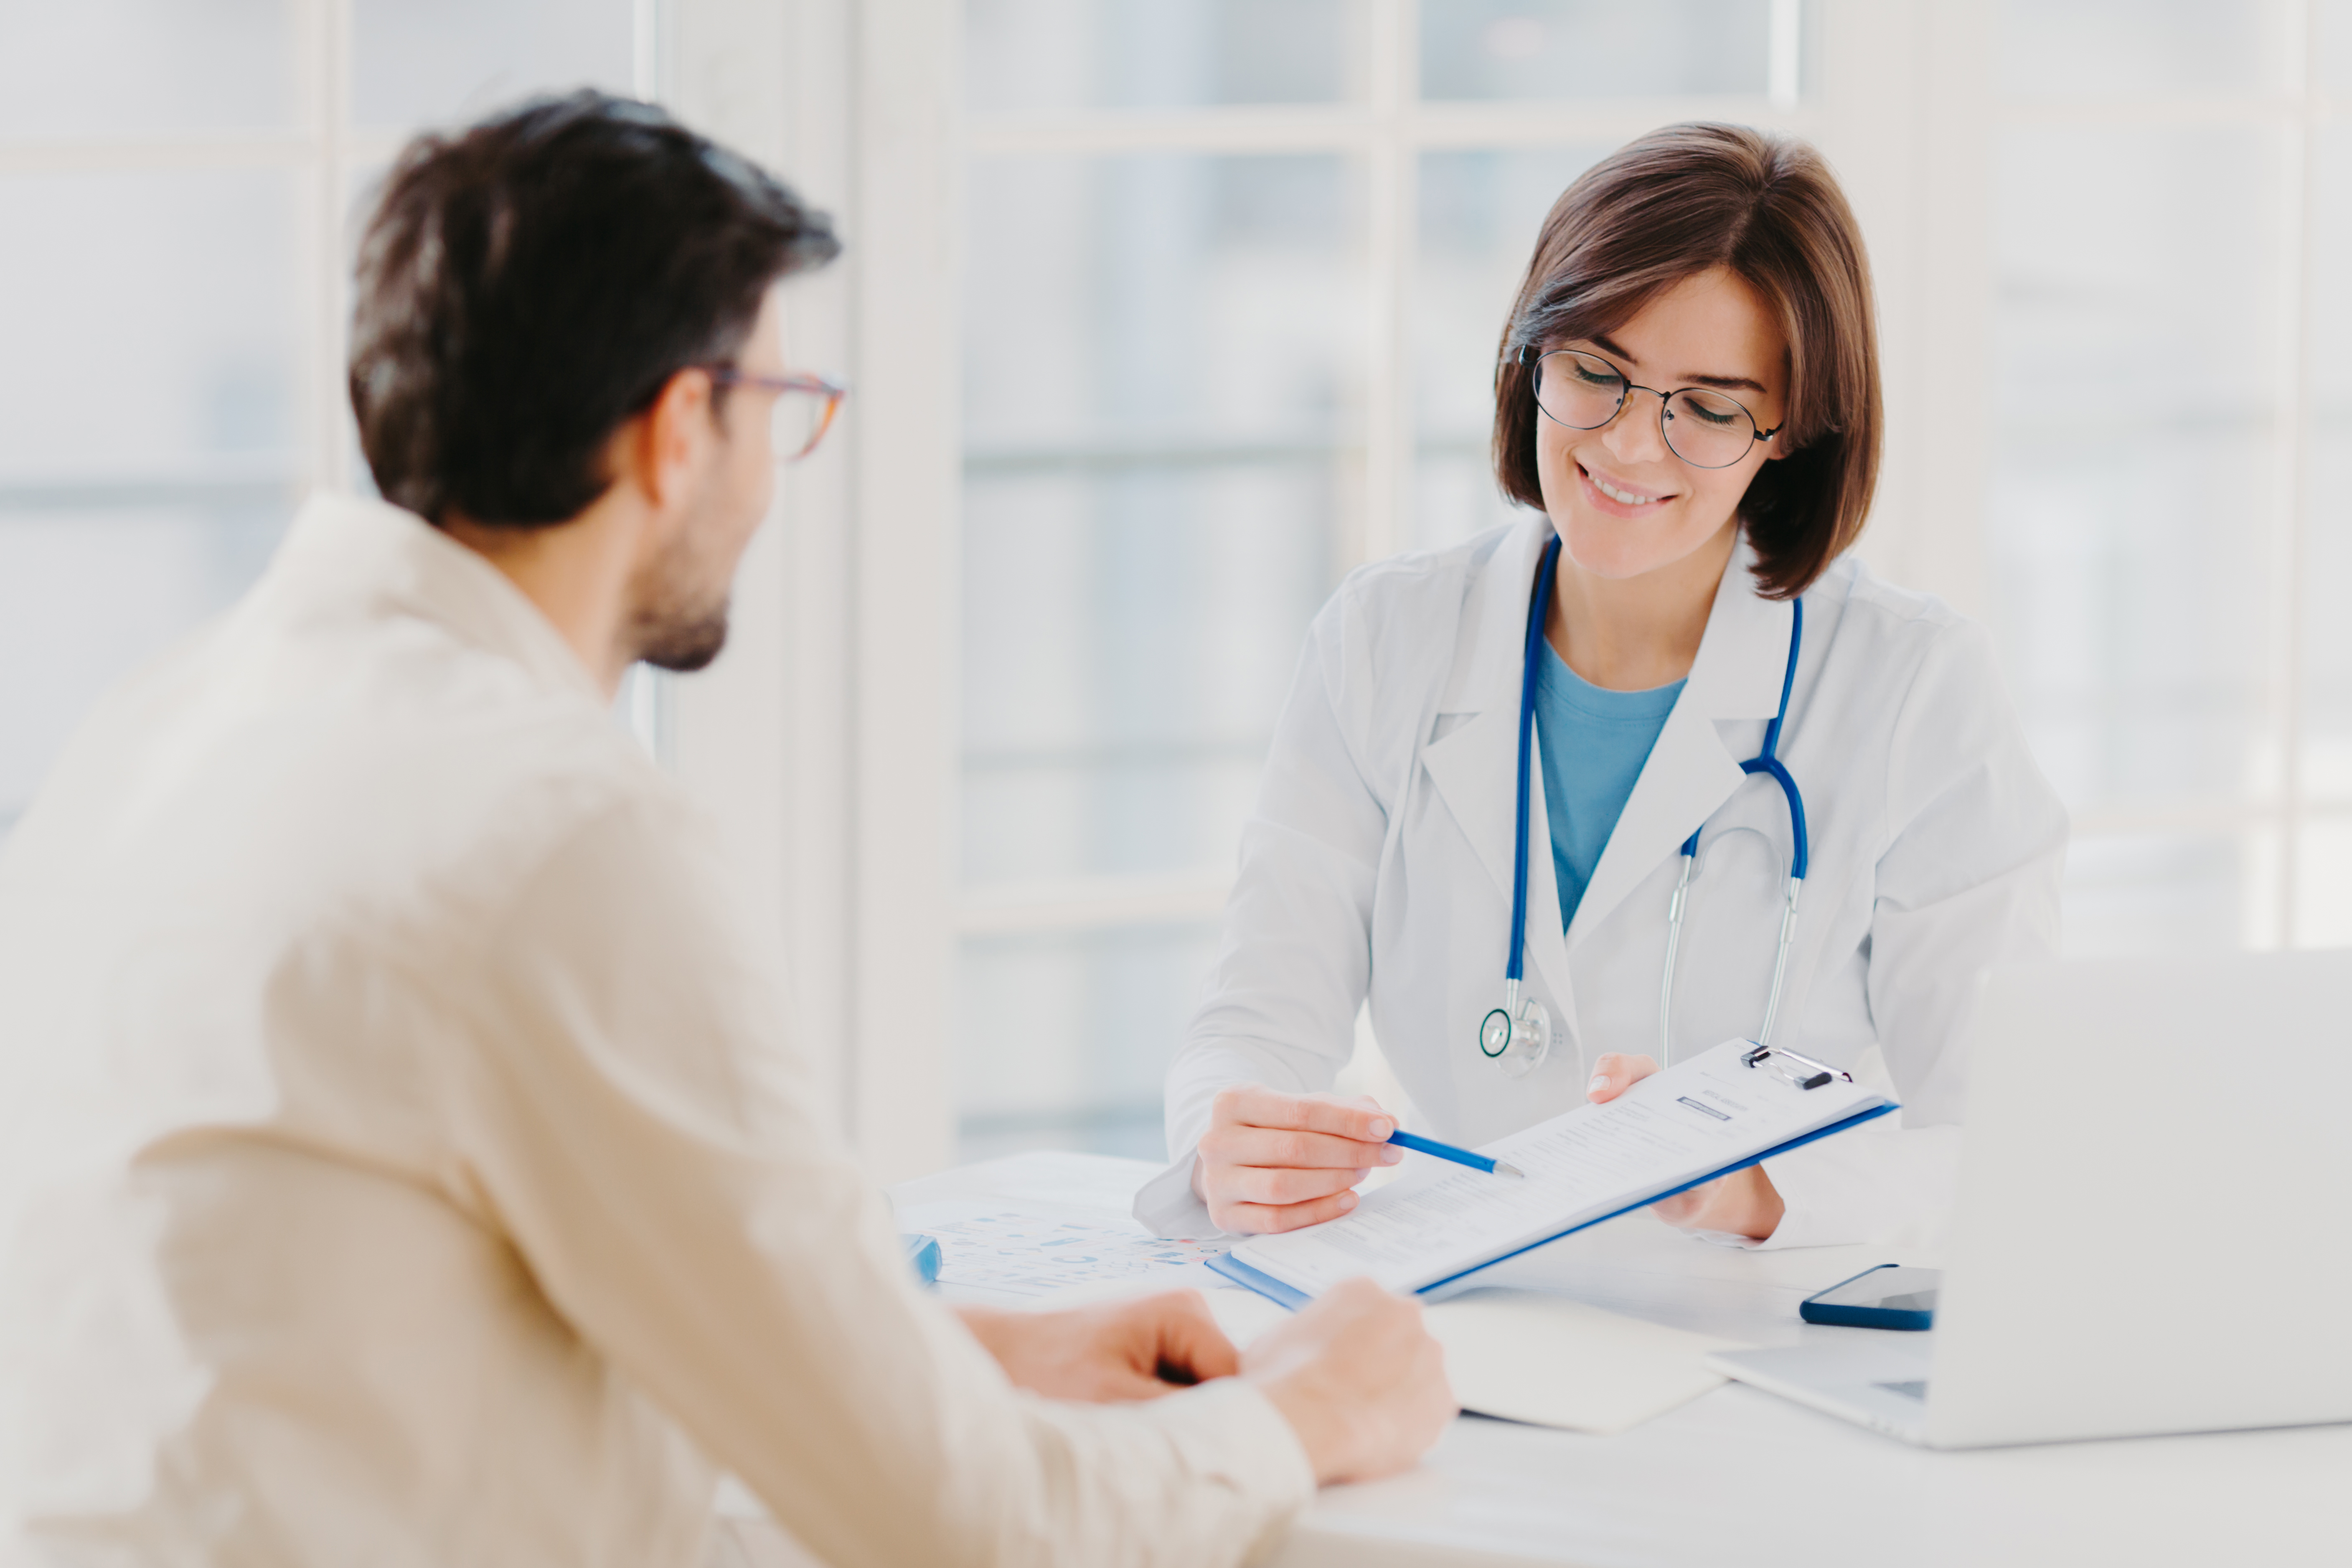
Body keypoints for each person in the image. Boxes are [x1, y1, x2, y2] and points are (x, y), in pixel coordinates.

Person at [0, 93, 1452, 1566]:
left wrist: (959, 1354)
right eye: (782, 405)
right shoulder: (545, 829)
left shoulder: (160, 724)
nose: (774, 477)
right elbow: (969, 1525)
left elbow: (377, 1307)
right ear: (677, 431)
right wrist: (1308, 1411)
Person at [1138, 122, 2068, 1247]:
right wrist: (1230, 1146)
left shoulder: (1915, 688)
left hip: (1750, 1346)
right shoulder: (1385, 641)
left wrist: (1764, 1187)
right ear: (1531, 358)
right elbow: (1254, 1022)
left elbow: (2008, 1146)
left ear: (1791, 434)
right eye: (1597, 373)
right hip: (1459, 1316)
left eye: (1711, 406)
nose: (1631, 445)